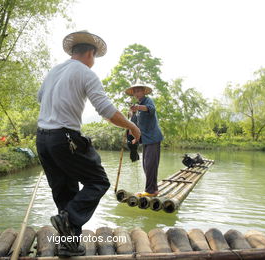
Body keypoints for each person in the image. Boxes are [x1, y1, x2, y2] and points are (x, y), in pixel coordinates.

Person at [36, 31, 140, 257]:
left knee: (64, 190)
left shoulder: (54, 71)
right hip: (65, 138)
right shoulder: (85, 72)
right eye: (94, 57)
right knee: (98, 181)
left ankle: (69, 245)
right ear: (90, 54)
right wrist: (132, 126)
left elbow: (40, 97)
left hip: (43, 139)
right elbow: (107, 112)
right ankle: (69, 218)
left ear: (73, 52)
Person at [125, 83, 163, 197]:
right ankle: (153, 189)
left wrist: (138, 107)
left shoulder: (147, 101)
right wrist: (135, 139)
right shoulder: (137, 109)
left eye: (138, 91)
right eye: (134, 92)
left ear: (143, 92)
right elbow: (135, 127)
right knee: (146, 165)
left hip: (153, 138)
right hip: (145, 140)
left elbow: (151, 109)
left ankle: (151, 191)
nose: (136, 94)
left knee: (150, 164)